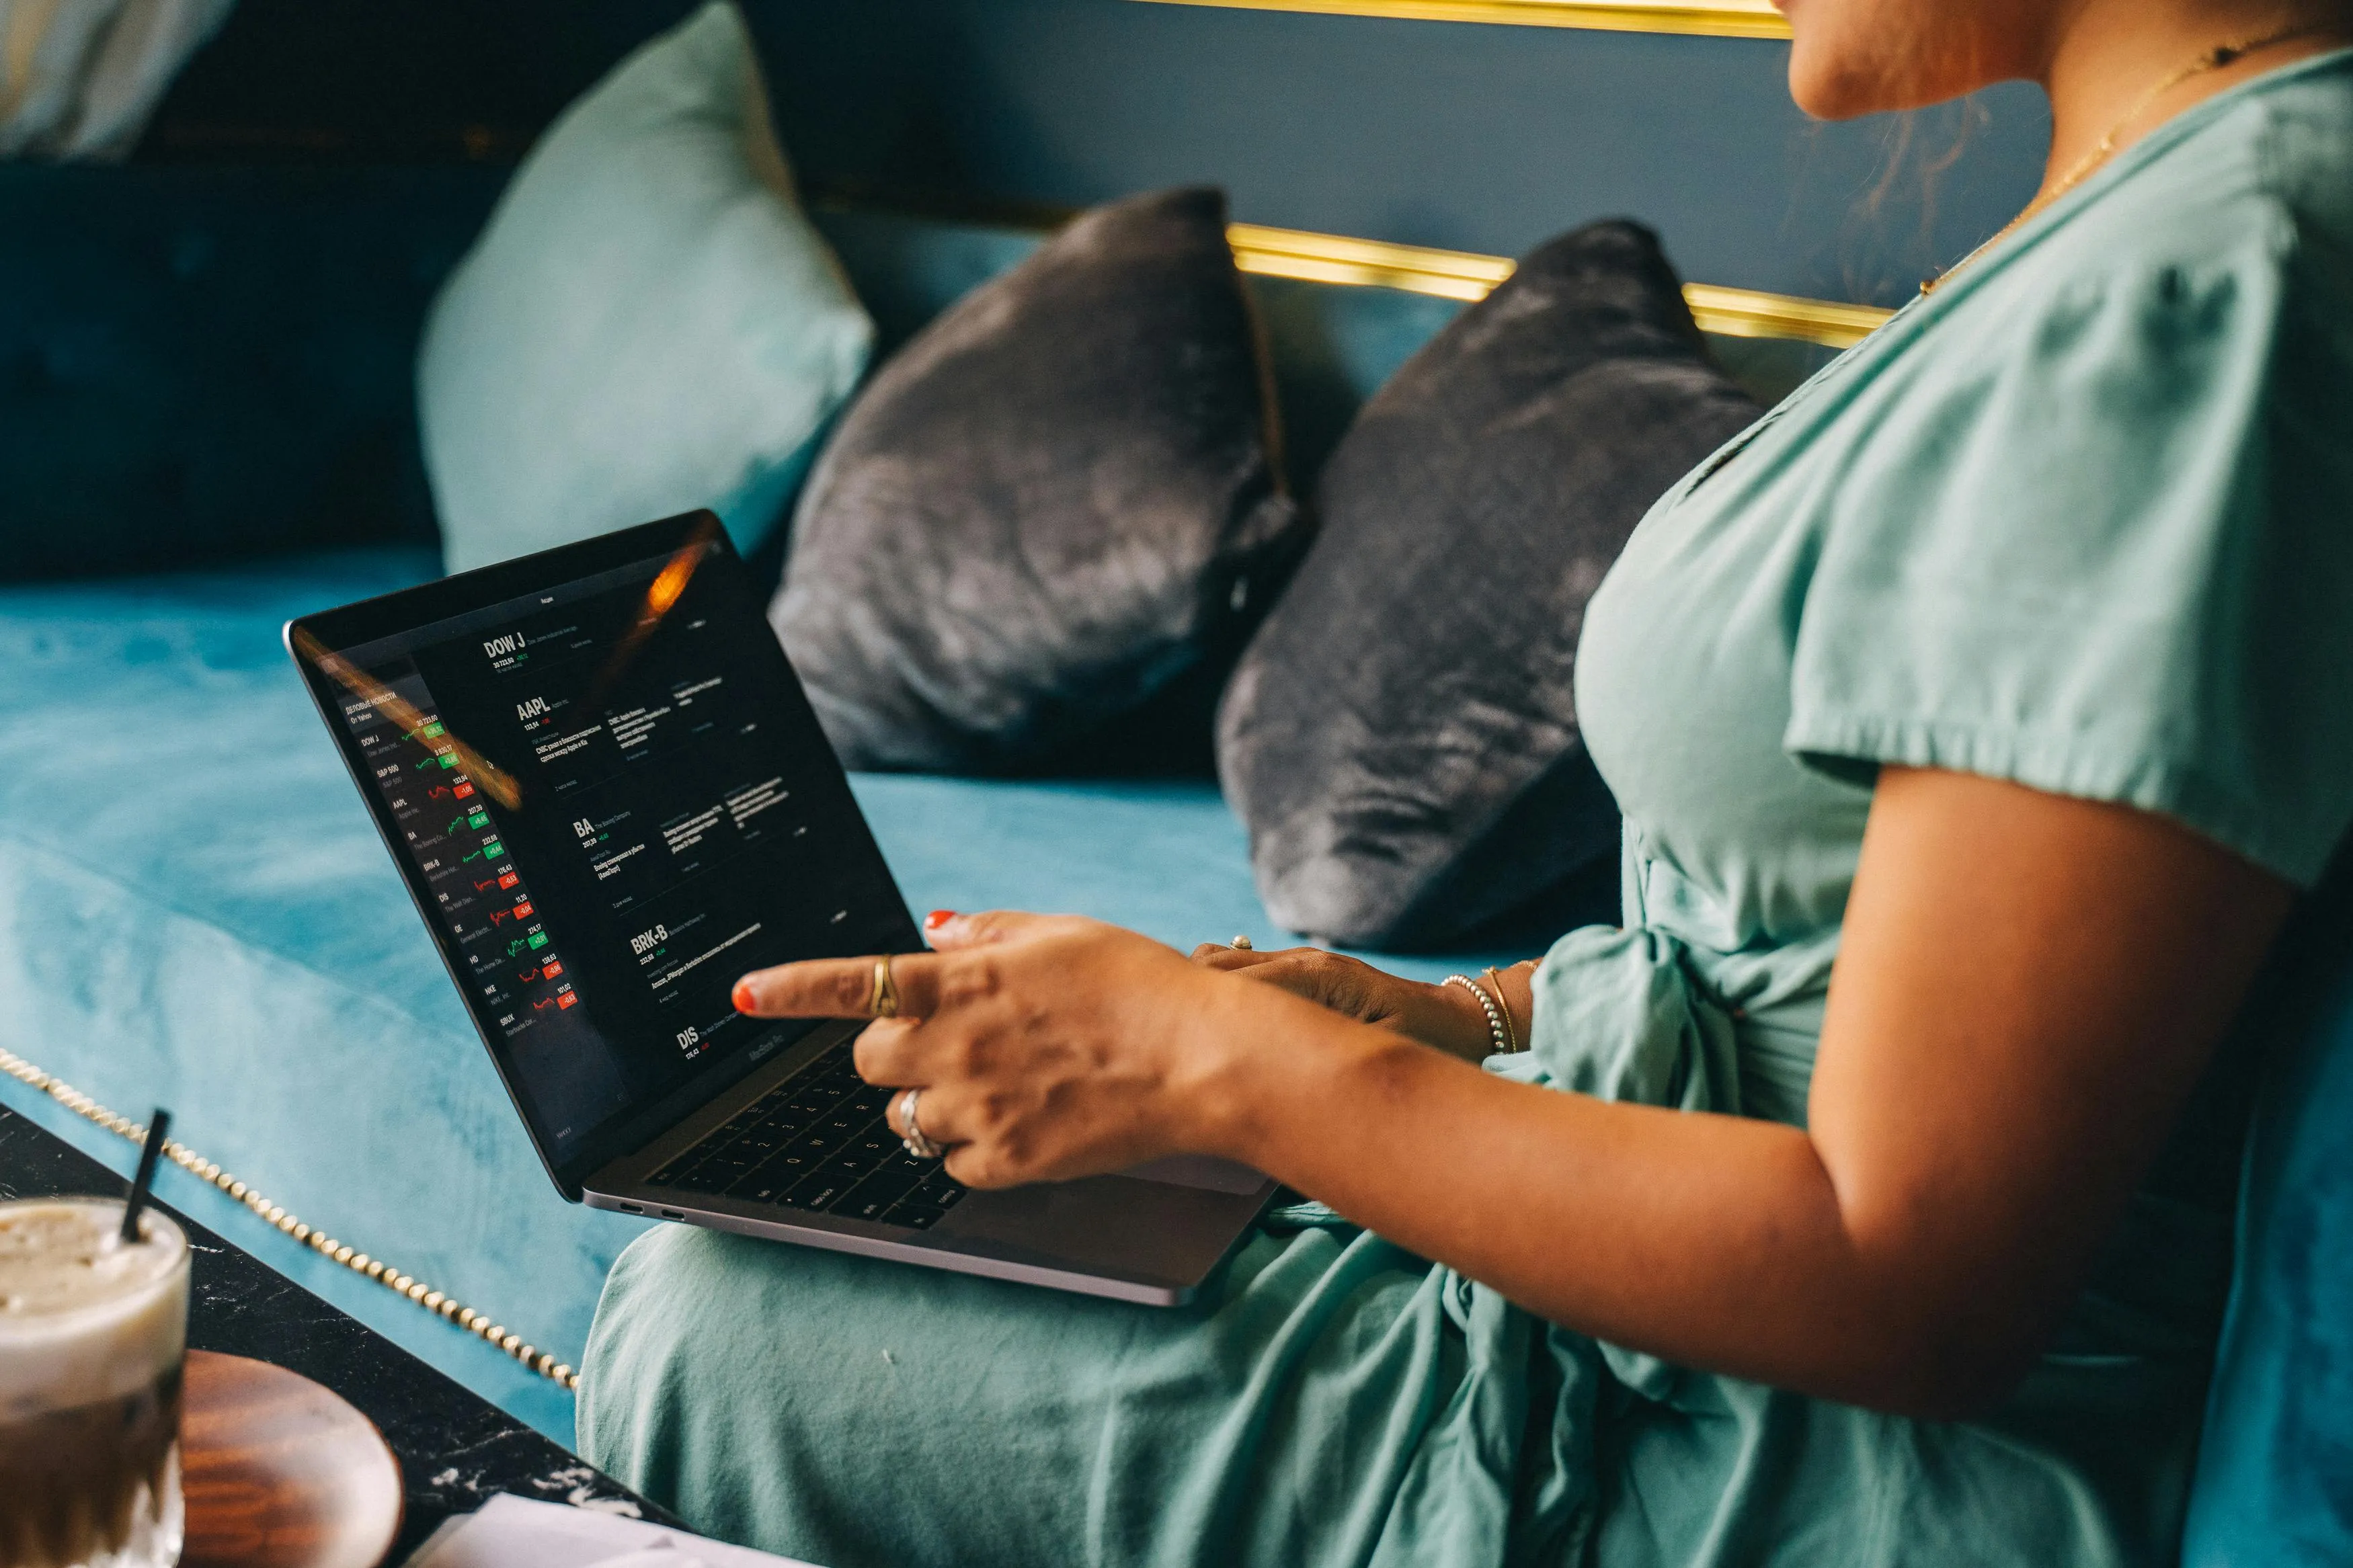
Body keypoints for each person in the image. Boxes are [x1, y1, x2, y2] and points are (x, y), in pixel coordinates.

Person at [576, 2, 2353, 1563]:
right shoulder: (2139, 209)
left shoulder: (2197, 293)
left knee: (720, 1308)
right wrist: (1450, 1019)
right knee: (806, 1233)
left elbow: (1910, 1280)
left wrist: (1233, 1065)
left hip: (1794, 1457)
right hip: (1678, 1317)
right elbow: (1825, 938)